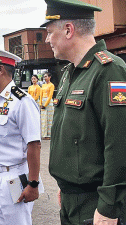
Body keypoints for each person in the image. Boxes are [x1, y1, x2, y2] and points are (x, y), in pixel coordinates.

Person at [42, 0, 126, 224]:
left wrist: (109, 206)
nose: (47, 40)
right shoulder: (71, 73)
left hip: (96, 201)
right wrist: (67, 186)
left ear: (68, 30)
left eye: (50, 32)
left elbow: (119, 144)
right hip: (72, 198)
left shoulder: (110, 71)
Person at [0, 47, 41, 225]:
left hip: (13, 177)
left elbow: (34, 145)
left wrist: (33, 183)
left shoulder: (22, 102)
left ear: (0, 69)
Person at [39, 72, 54, 140]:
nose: (45, 78)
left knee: (49, 119)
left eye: (46, 76)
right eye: (44, 76)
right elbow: (41, 94)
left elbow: (50, 95)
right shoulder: (43, 85)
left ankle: (49, 135)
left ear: (49, 77)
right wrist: (40, 103)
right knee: (43, 119)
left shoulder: (51, 85)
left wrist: (45, 104)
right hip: (43, 101)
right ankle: (44, 134)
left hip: (49, 102)